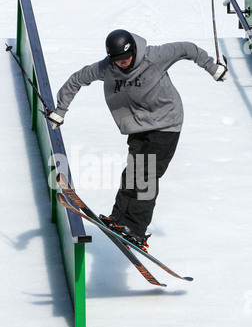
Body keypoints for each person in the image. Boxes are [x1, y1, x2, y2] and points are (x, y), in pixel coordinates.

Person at [49, 29, 227, 250]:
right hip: (138, 126)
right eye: (117, 61)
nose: (122, 64)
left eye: (125, 59)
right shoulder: (108, 67)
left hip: (166, 124)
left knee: (146, 174)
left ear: (133, 50)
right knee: (133, 171)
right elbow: (77, 79)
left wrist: (212, 67)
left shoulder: (155, 56)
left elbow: (187, 49)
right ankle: (119, 218)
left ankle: (136, 228)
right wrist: (60, 110)